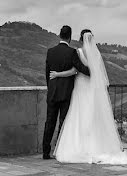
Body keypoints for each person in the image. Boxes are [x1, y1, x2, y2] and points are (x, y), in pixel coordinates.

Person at [49, 29, 127, 164]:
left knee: (79, 115)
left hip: (80, 86)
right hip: (92, 88)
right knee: (93, 116)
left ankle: (80, 147)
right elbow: (98, 73)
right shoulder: (96, 54)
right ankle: (97, 146)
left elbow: (75, 70)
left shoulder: (78, 52)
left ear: (81, 38)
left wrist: (57, 74)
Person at [42, 25, 90, 160]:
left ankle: (45, 152)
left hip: (52, 92)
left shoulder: (50, 51)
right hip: (65, 93)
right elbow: (80, 68)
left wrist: (50, 87)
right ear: (70, 37)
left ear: (60, 35)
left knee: (49, 122)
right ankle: (59, 150)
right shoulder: (71, 52)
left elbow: (47, 74)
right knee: (63, 122)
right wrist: (94, 72)